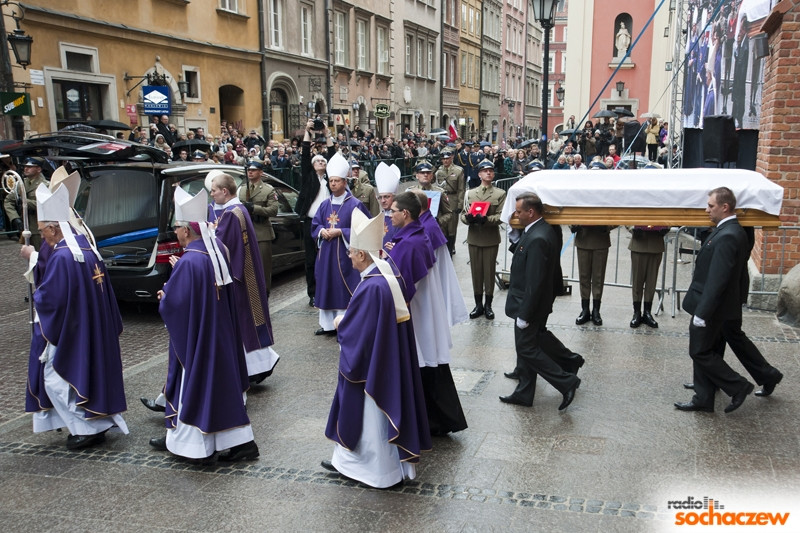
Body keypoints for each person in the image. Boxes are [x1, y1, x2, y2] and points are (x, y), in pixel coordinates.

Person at [322, 209, 431, 488]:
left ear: (362, 255)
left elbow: (360, 331)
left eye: (351, 252)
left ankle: (373, 471)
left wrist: (341, 323)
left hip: (371, 369)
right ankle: (371, 466)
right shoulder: (388, 274)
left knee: (369, 422)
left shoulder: (372, 286)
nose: (349, 257)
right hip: (386, 361)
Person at [150, 186, 258, 461]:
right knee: (221, 388)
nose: (175, 232)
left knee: (196, 388)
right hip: (220, 333)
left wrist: (165, 295)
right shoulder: (215, 250)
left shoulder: (191, 261)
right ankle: (241, 442)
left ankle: (194, 446)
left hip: (199, 338)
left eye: (177, 227)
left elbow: (176, 304)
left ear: (187, 231)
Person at [23, 182, 129, 449]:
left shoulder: (62, 256)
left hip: (72, 329)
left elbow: (51, 298)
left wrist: (38, 299)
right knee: (86, 375)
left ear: (54, 228)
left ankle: (87, 428)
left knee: (56, 379)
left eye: (42, 231)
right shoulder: (86, 248)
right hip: (89, 325)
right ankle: (96, 423)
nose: (42, 237)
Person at [386, 191, 468, 436]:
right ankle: (440, 421)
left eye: (393, 211)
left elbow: (401, 286)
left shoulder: (409, 244)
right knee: (429, 365)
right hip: (424, 312)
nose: (389, 215)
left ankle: (433, 422)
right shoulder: (414, 236)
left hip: (417, 314)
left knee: (424, 366)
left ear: (405, 214)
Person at [675, 187, 755, 414]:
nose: (706, 210)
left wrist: (702, 313)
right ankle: (703, 397)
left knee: (699, 351)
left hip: (711, 308)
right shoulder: (726, 230)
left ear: (725, 207)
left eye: (711, 206)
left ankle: (738, 386)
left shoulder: (729, 235)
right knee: (705, 349)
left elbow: (717, 280)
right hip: (711, 305)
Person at [500, 193, 582, 410]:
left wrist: (525, 315)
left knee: (527, 348)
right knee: (534, 341)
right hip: (531, 301)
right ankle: (524, 393)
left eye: (519, 211)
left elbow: (534, 282)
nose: (515, 215)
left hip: (530, 304)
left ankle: (566, 381)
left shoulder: (538, 237)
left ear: (530, 212)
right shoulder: (538, 230)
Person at [208, 170, 280, 384]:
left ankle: (256, 368)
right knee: (248, 321)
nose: (211, 194)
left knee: (245, 320)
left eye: (213, 190)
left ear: (224, 191)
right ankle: (259, 366)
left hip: (239, 276)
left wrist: (209, 233)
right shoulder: (237, 209)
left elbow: (222, 244)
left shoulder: (232, 214)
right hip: (246, 273)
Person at [311, 153, 371, 335]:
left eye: (337, 181)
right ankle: (328, 325)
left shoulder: (355, 204)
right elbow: (315, 224)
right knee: (326, 285)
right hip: (326, 254)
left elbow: (364, 229)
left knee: (342, 288)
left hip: (346, 254)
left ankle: (345, 322)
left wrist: (341, 232)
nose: (333, 184)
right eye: (331, 181)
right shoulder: (324, 204)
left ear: (345, 182)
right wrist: (322, 231)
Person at [296, 120, 336, 307]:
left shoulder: (330, 179)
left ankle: (330, 289)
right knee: (311, 259)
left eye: (323, 161)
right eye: (318, 161)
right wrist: (308, 132)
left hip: (330, 223)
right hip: (311, 222)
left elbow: (333, 156)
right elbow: (305, 154)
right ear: (312, 165)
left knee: (329, 257)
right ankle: (313, 293)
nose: (321, 162)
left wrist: (327, 134)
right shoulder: (309, 177)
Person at [460, 160, 506, 320]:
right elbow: (463, 214)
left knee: (489, 272)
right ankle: (478, 304)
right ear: (479, 174)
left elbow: (501, 216)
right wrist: (468, 219)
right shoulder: (470, 194)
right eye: (485, 171)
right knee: (476, 272)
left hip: (490, 238)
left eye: (491, 171)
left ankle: (488, 305)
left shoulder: (500, 194)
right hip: (474, 237)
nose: (488, 173)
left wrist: (486, 220)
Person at [238, 160, 280, 292]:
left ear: (260, 172)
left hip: (261, 233)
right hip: (245, 232)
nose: (250, 172)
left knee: (263, 268)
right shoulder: (242, 189)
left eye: (253, 170)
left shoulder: (268, 189)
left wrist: (254, 208)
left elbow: (273, 210)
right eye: (249, 170)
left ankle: (264, 293)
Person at [572, 223, 612, 326]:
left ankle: (596, 310)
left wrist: (608, 226)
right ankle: (585, 309)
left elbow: (615, 215)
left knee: (598, 277)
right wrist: (572, 225)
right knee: (584, 277)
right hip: (583, 237)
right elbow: (572, 213)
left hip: (600, 238)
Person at [628, 225, 668, 328]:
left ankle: (647, 312)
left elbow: (669, 217)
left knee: (651, 282)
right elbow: (627, 217)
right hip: (639, 242)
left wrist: (667, 227)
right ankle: (636, 312)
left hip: (656, 243)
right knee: (637, 281)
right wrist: (632, 228)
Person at [5, 157, 49, 248]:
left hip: (39, 227)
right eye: (25, 166)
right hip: (25, 226)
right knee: (28, 254)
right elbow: (8, 201)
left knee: (41, 253)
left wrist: (24, 201)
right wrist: (14, 217)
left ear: (38, 169)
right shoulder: (21, 184)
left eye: (30, 167)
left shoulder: (45, 185)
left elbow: (45, 204)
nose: (26, 169)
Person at [407, 161, 452, 239]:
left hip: (434, 233)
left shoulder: (439, 192)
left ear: (432, 176)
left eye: (428, 173)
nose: (425, 175)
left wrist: (438, 221)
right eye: (422, 173)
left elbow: (448, 213)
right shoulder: (410, 192)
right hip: (415, 232)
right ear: (417, 175)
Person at [435, 150, 466, 255]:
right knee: (442, 225)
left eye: (447, 158)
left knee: (452, 227)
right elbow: (431, 180)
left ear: (451, 158)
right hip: (441, 199)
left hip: (453, 199)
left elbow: (461, 189)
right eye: (443, 159)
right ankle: (444, 248)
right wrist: (434, 167)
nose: (445, 161)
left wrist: (460, 204)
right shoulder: (439, 171)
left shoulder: (458, 171)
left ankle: (451, 247)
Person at [374, 162, 401, 246]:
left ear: (394, 197)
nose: (383, 201)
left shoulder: (400, 217)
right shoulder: (378, 218)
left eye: (386, 197)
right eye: (380, 197)